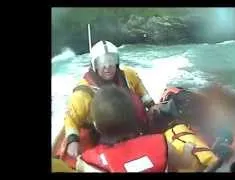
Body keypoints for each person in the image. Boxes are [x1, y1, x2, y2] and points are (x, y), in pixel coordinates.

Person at [75, 85, 221, 172]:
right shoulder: (161, 143)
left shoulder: (87, 162)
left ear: (96, 125)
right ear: (133, 120)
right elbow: (187, 162)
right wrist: (188, 148)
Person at [55, 40, 155, 168]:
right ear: (94, 64)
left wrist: (152, 106)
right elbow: (71, 118)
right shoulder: (83, 93)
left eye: (111, 60)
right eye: (101, 62)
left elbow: (142, 91)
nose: (107, 66)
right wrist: (72, 140)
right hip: (101, 135)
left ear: (117, 61)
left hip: (131, 127)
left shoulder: (129, 75)